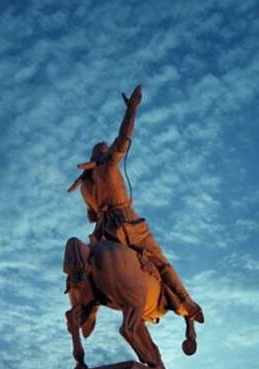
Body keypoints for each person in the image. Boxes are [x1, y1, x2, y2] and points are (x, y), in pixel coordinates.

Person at [67, 84, 204, 323]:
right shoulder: (109, 164)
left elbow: (92, 216)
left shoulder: (85, 187)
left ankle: (89, 299)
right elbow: (124, 138)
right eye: (108, 150)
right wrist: (131, 109)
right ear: (104, 154)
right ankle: (185, 302)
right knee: (159, 259)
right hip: (126, 222)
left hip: (102, 232)